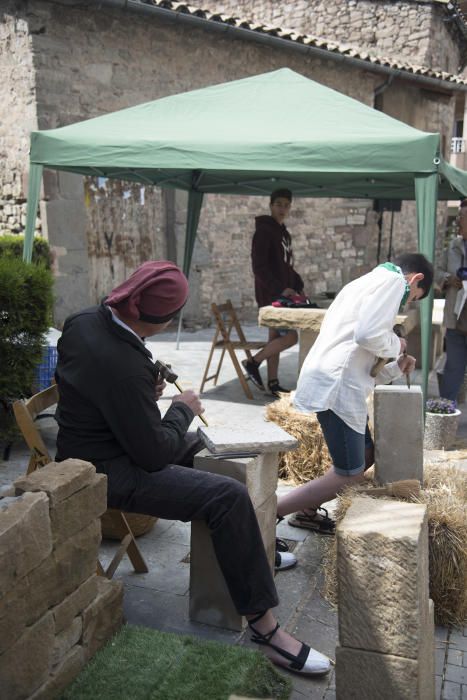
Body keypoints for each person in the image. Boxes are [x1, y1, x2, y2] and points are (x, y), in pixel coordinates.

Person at [54, 260, 330, 676]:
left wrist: (143, 394)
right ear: (160, 320)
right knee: (227, 495)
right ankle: (266, 629)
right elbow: (152, 456)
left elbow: (98, 387)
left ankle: (253, 553)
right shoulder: (123, 365)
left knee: (213, 448)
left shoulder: (83, 320)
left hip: (94, 442)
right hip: (102, 470)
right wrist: (180, 411)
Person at [276, 253, 433, 532]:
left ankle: (305, 513)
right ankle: (265, 514)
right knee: (349, 475)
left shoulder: (367, 282)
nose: (407, 303)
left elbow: (362, 365)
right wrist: (397, 344)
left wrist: (396, 366)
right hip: (336, 387)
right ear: (415, 279)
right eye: (414, 297)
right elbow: (366, 335)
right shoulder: (395, 281)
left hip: (339, 382)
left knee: (367, 453)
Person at [243, 188, 304, 398]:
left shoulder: (283, 233)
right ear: (270, 205)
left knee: (275, 339)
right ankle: (253, 362)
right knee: (290, 338)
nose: (282, 209)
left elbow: (285, 266)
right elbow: (259, 267)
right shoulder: (263, 232)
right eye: (278, 204)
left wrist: (297, 282)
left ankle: (273, 383)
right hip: (271, 296)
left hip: (282, 295)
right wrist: (279, 289)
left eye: (286, 205)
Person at [437, 199, 467, 402]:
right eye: (459, 217)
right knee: (453, 370)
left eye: (462, 217)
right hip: (456, 320)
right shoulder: (453, 246)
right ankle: (445, 415)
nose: (458, 221)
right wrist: (448, 279)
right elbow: (436, 271)